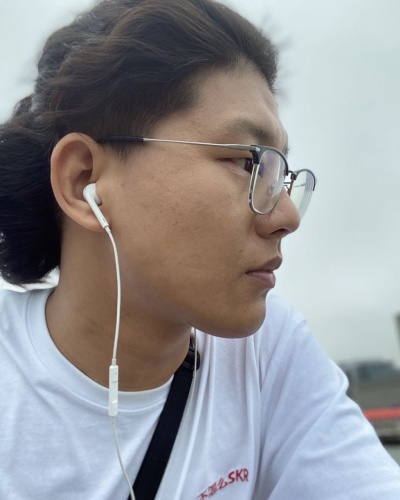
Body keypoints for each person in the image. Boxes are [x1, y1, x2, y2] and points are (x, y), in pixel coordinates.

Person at [0, 0, 399, 498]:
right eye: (247, 163)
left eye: (279, 173)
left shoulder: (265, 353)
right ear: (84, 182)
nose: (287, 217)